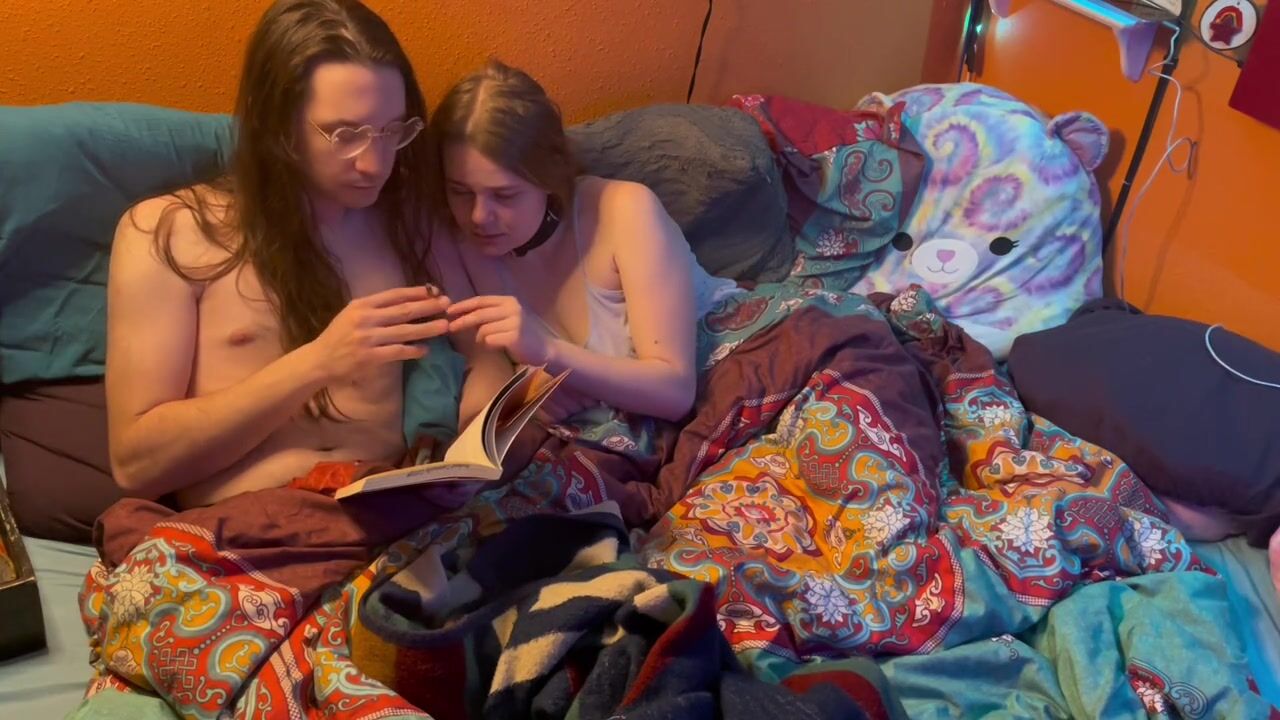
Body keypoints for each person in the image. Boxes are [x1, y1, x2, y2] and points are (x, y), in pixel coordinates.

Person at [105, 0, 501, 509]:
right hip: (252, 529)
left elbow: (486, 359)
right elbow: (136, 465)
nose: (375, 163)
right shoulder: (170, 232)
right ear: (278, 125)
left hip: (396, 515)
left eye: (391, 131)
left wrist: (470, 438)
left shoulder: (407, 222)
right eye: (345, 134)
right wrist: (318, 362)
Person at [432, 59, 741, 426]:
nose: (479, 216)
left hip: (729, 370)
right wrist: (520, 395)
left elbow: (674, 393)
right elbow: (484, 365)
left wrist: (549, 354)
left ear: (548, 177)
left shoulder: (624, 209)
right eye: (460, 191)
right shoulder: (452, 240)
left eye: (505, 195)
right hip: (627, 429)